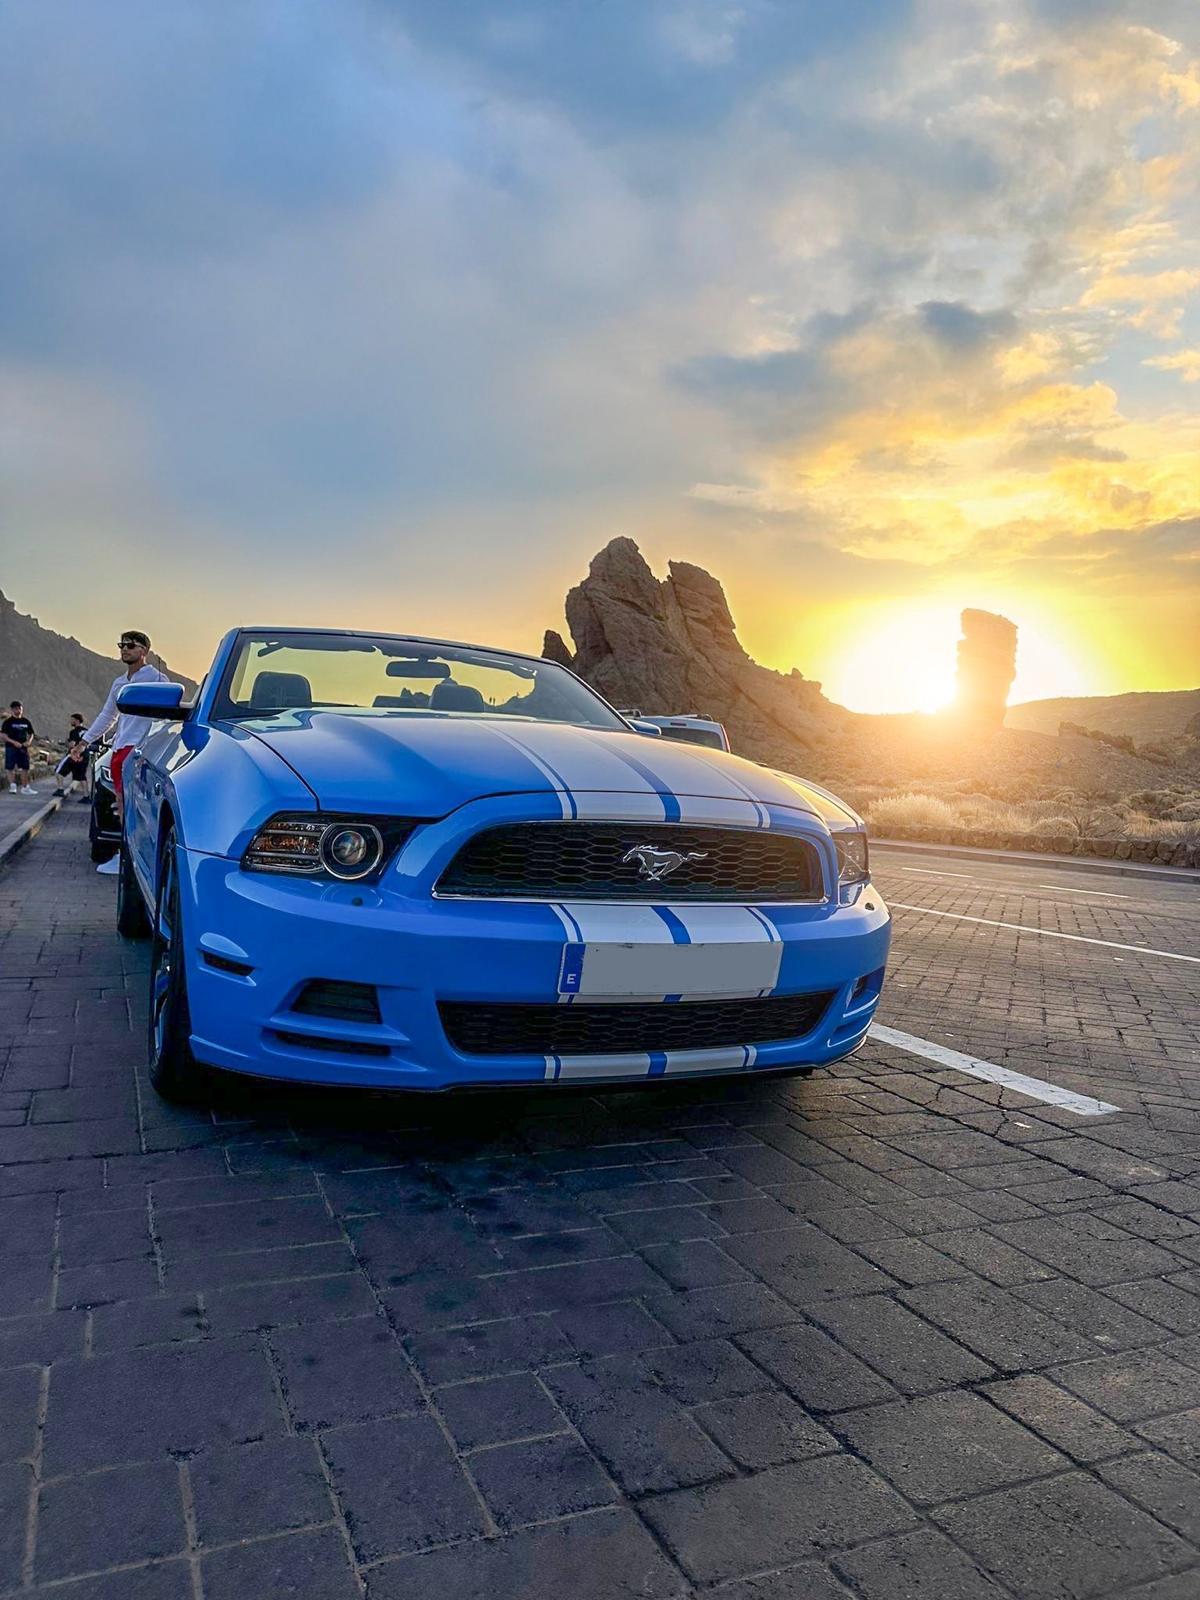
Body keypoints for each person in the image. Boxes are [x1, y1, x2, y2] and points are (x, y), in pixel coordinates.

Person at [81, 631, 174, 874]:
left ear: (144, 651)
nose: (124, 649)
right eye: (122, 645)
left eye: (131, 646)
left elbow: (169, 714)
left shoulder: (158, 679)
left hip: (141, 750)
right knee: (122, 805)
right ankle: (126, 855)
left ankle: (137, 859)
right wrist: (84, 740)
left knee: (139, 807)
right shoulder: (119, 682)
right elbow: (108, 716)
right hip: (119, 749)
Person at [2, 701, 39, 797]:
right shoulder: (7, 722)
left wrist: (29, 741)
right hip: (11, 747)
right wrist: (14, 742)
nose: (18, 710)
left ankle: (25, 787)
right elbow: (3, 736)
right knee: (10, 767)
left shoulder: (26, 721)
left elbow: (31, 733)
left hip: (23, 748)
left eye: (20, 709)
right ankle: (12, 786)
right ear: (12, 710)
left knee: (25, 767)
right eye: (16, 709)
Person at [54, 713, 90, 799]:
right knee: (82, 776)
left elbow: (72, 744)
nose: (70, 721)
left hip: (74, 754)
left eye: (72, 719)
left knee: (59, 771)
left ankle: (60, 789)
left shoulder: (74, 731)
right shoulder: (87, 731)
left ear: (77, 720)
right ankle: (86, 796)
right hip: (85, 755)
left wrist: (66, 742)